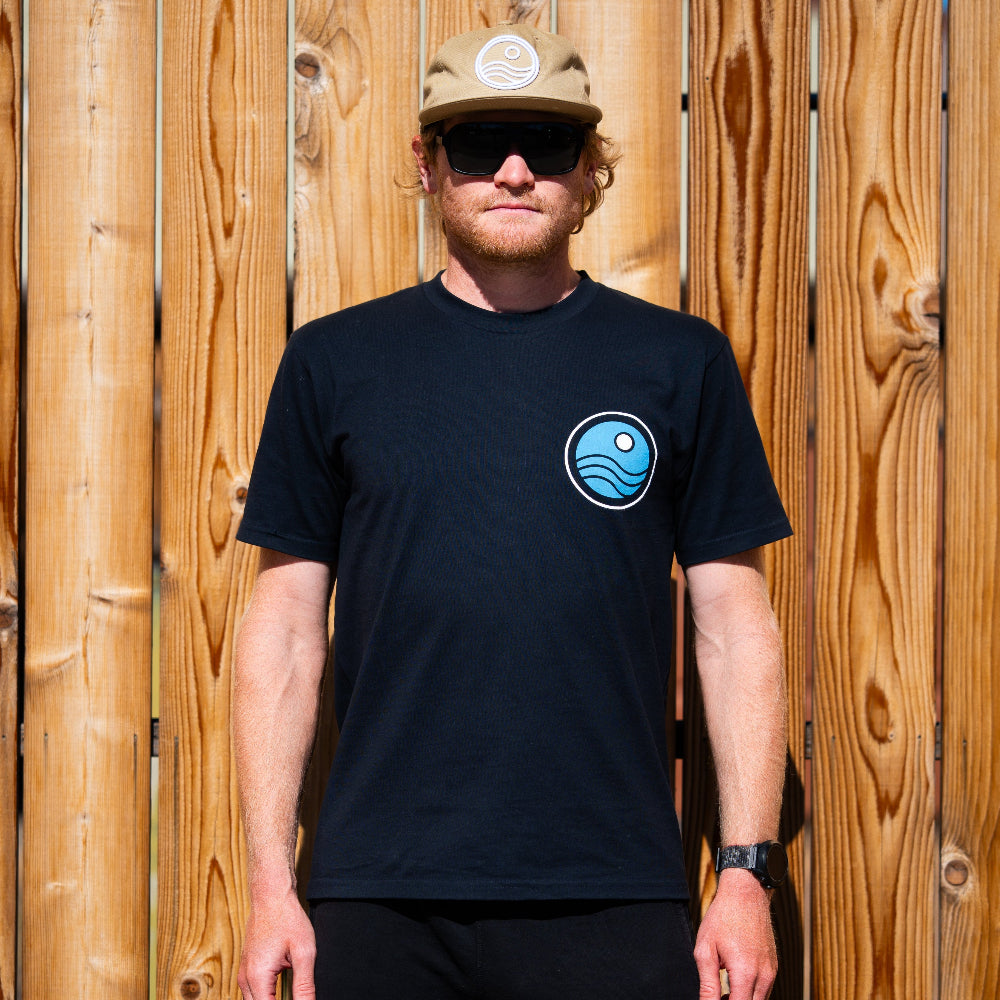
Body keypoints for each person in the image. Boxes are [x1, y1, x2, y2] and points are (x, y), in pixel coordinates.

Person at [234, 22, 791, 1000]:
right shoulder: (335, 362)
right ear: (429, 164)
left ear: (589, 170)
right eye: (481, 142)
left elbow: (734, 628)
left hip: (613, 896)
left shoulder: (678, 362)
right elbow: (283, 631)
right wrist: (271, 885)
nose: (516, 171)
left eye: (550, 143)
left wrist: (744, 874)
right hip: (380, 900)